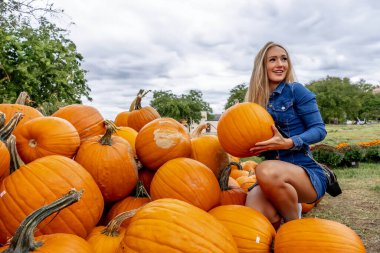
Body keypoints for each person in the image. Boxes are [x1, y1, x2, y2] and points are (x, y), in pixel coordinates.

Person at [244, 41, 328, 227]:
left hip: (305, 172)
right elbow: (251, 145)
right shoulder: (255, 103)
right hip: (271, 177)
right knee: (257, 212)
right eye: (272, 60)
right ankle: (279, 228)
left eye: (284, 59)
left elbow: (320, 130)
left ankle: (293, 225)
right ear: (262, 66)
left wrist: (289, 142)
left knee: (264, 169)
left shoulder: (296, 91)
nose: (280, 64)